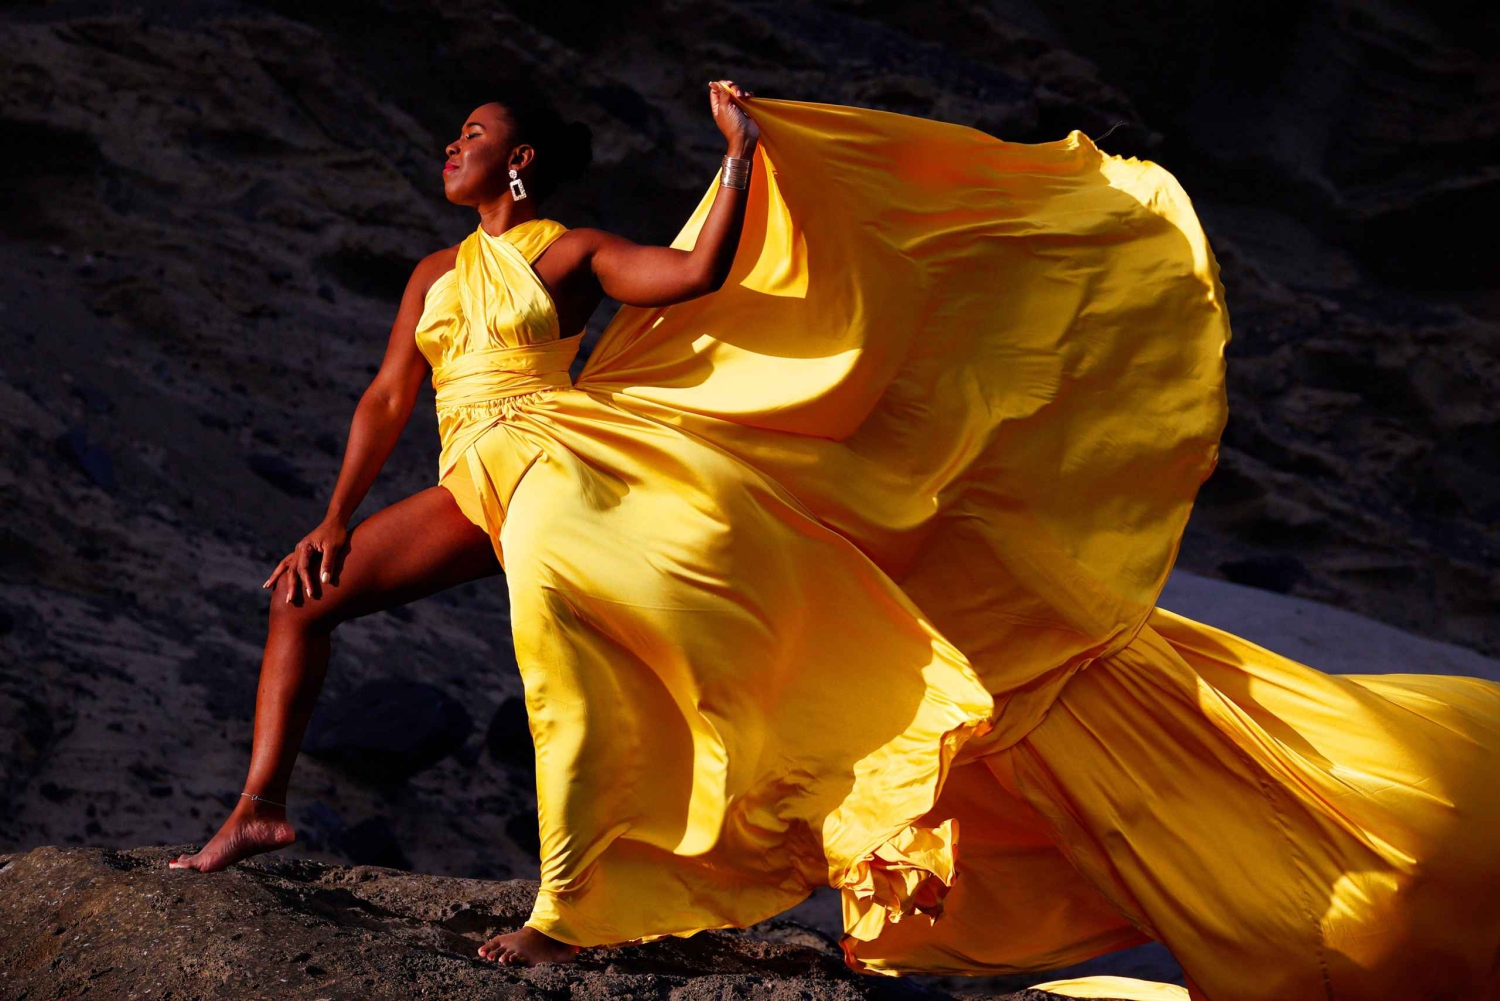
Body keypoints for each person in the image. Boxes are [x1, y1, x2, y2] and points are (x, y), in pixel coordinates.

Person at [168, 80, 1500, 999]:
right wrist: (334, 515)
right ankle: (260, 810)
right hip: (475, 471)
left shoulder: (566, 251)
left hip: (565, 463)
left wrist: (744, 157)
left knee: (569, 660)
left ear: (517, 163)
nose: (449, 148)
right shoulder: (430, 278)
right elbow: (388, 398)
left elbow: (688, 276)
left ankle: (571, 910)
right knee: (306, 598)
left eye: (472, 134)